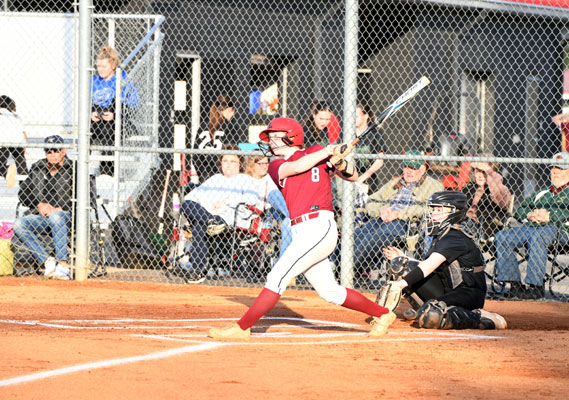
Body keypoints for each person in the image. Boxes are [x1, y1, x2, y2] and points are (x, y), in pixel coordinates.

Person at [208, 117, 396, 340]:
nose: (271, 142)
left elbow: (353, 175)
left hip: (319, 226)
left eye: (275, 136)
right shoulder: (276, 165)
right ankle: (383, 314)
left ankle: (241, 328)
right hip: (301, 230)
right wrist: (328, 151)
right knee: (330, 291)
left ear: (292, 136)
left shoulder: (316, 152)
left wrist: (339, 163)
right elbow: (298, 166)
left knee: (277, 277)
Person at [380, 191, 507, 330]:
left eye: (439, 210)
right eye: (433, 209)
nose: (434, 213)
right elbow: (431, 265)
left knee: (432, 316)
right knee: (401, 265)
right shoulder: (442, 235)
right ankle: (425, 310)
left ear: (455, 213)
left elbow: (428, 267)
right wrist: (404, 258)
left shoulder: (454, 237)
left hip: (467, 293)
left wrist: (399, 285)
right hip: (447, 288)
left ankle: (481, 317)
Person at [353, 149, 444, 279]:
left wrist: (399, 214)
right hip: (383, 218)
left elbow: (430, 209)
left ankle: (346, 268)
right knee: (357, 234)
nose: (408, 171)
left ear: (423, 169)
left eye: (413, 167)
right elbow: (372, 200)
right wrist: (382, 210)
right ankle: (337, 264)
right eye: (406, 166)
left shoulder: (433, 186)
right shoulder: (395, 183)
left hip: (405, 224)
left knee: (372, 239)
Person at [494, 152, 569, 300]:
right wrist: (530, 214)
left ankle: (535, 287)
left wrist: (550, 216)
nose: (554, 171)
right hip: (531, 227)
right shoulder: (543, 192)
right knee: (502, 236)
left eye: (560, 168)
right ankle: (515, 285)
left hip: (560, 230)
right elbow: (521, 209)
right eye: (553, 167)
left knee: (538, 236)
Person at [180, 145, 259, 282]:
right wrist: (208, 210)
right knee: (186, 204)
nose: (228, 165)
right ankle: (210, 221)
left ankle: (198, 270)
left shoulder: (246, 180)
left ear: (239, 163)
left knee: (199, 225)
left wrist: (226, 202)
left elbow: (251, 200)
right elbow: (192, 197)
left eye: (233, 161)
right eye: (225, 161)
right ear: (220, 163)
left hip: (229, 218)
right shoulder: (215, 178)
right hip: (210, 215)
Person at [12, 135, 74, 280]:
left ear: (63, 151)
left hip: (66, 217)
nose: (52, 155)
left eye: (56, 151)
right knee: (19, 224)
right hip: (42, 218)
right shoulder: (37, 167)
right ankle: (48, 262)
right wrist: (39, 205)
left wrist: (59, 208)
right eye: (48, 151)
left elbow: (85, 197)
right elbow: (23, 193)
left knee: (56, 216)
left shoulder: (73, 168)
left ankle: (63, 265)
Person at [90, 45, 139, 176]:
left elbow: (133, 106)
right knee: (88, 126)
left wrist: (114, 115)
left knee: (108, 131)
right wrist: (91, 113)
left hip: (118, 118)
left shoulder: (123, 80)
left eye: (103, 66)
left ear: (112, 66)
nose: (100, 69)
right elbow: (87, 102)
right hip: (98, 117)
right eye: (98, 66)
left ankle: (107, 174)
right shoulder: (95, 81)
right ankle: (82, 171)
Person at [243, 155, 291, 257]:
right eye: (260, 163)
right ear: (251, 164)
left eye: (266, 163)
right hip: (256, 215)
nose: (264, 166)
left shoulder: (269, 178)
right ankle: (293, 217)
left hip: (272, 212)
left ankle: (291, 216)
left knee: (287, 222)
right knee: (287, 221)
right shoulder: (245, 180)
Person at [462, 154, 512, 239]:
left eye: (484, 172)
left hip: (485, 228)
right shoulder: (469, 189)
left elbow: (499, 195)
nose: (480, 175)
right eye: (477, 171)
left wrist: (488, 169)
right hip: (465, 224)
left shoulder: (500, 189)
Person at [193, 95, 237, 182]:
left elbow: (195, 155)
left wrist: (201, 172)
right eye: (232, 111)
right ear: (229, 109)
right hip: (221, 175)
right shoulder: (229, 128)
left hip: (204, 173)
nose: (233, 114)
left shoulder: (203, 126)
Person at [355, 103, 386, 195]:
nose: (353, 119)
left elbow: (379, 161)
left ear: (365, 116)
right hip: (348, 177)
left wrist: (361, 179)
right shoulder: (347, 133)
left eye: (356, 116)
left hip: (368, 179)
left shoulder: (375, 133)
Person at [0, 95, 27, 188]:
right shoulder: (16, 116)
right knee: (21, 164)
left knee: (0, 164)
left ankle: (6, 170)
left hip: (3, 143)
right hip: (18, 142)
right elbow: (24, 133)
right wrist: (25, 147)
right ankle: (26, 186)